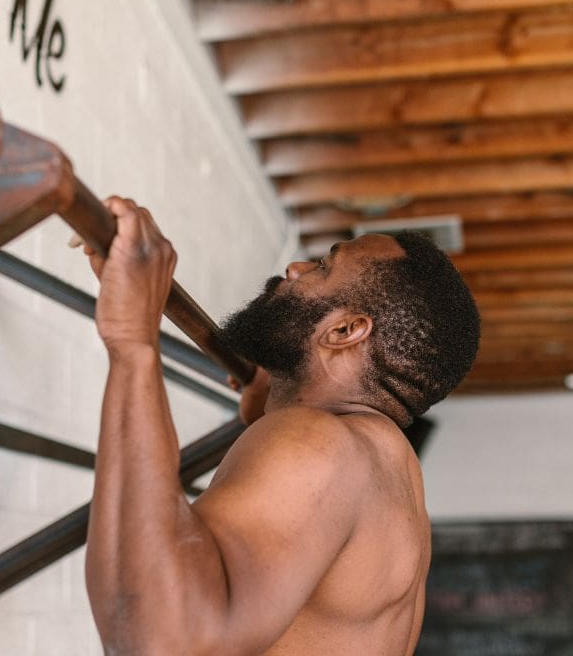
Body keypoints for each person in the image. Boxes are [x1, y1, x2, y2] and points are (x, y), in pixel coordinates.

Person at [79, 197, 480, 655]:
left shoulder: (321, 445)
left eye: (323, 268)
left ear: (346, 331)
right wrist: (274, 407)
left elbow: (156, 639)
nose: (293, 268)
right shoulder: (388, 468)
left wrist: (133, 339)